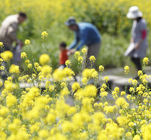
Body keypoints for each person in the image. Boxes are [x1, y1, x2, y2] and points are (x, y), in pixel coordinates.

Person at [0, 12, 27, 79]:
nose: (22, 22)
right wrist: (18, 41)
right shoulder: (15, 21)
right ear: (21, 17)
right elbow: (11, 32)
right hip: (5, 42)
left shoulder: (10, 17)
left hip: (1, 40)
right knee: (6, 59)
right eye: (23, 20)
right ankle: (4, 76)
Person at [126, 6, 148, 77]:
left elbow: (144, 34)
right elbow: (135, 32)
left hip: (140, 43)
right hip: (135, 43)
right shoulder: (135, 21)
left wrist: (138, 43)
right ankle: (141, 73)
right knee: (134, 58)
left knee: (135, 58)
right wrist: (132, 38)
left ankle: (141, 74)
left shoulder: (142, 22)